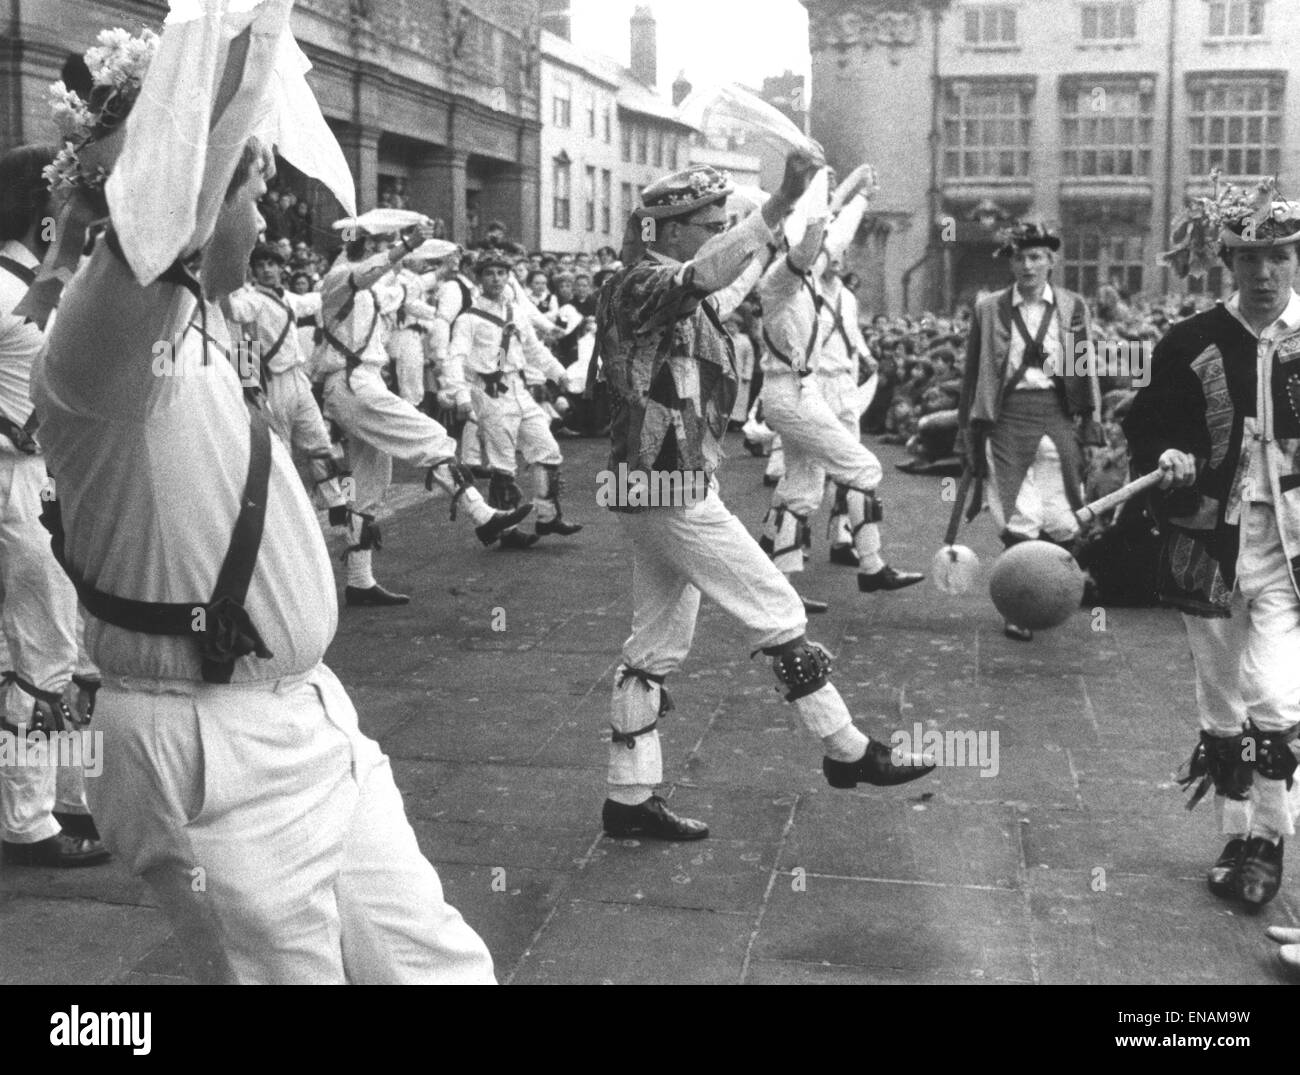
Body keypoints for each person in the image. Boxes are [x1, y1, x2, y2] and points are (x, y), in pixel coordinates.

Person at [33, 11, 493, 982]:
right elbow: (160, 218)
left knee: (440, 966)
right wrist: (235, 48)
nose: (267, 209)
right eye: (251, 184)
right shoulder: (99, 340)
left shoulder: (196, 326)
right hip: (205, 745)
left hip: (304, 716)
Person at [593, 157, 934, 842]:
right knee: (775, 607)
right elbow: (713, 271)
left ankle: (628, 797)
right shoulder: (637, 283)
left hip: (656, 479)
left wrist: (798, 205)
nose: (721, 232)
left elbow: (735, 270)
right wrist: (779, 196)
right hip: (667, 482)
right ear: (668, 228)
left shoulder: (674, 294)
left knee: (657, 642)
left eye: (723, 223)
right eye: (709, 224)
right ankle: (846, 748)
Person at [1124, 183, 1300, 911]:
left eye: (1279, 257)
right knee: (1221, 697)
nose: (1263, 274)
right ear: (1227, 260)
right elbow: (1151, 425)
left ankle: (1268, 840)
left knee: (1275, 693)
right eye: (1249, 257)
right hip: (1209, 540)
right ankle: (1236, 834)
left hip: (1292, 545)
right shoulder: (1188, 340)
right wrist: (1171, 457)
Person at [316, 212, 533, 603]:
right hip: (351, 382)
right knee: (432, 436)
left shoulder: (369, 288)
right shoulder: (338, 281)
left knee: (370, 483)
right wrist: (409, 245)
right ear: (364, 246)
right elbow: (370, 274)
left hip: (360, 382)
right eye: (381, 245)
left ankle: (359, 581)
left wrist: (441, 269)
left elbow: (401, 287)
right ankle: (482, 515)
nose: (386, 254)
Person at [0, 144, 106, 868]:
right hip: (20, 483)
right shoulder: (11, 289)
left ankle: (67, 796)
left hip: (42, 480)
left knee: (56, 647)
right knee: (44, 647)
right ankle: (30, 817)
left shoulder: (31, 282)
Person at [758, 163, 924, 610]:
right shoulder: (778, 280)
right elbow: (815, 240)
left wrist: (860, 196)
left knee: (802, 490)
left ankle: (782, 590)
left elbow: (831, 240)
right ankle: (871, 566)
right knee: (865, 469)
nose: (828, 253)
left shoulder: (809, 280)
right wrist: (835, 195)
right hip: (791, 393)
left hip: (797, 393)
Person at [958, 221, 1101, 641]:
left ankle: (1056, 594)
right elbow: (973, 372)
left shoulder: (1073, 306)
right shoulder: (989, 308)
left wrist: (1089, 419)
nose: (1027, 265)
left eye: (1036, 256)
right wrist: (968, 429)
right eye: (1020, 257)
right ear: (1011, 263)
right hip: (1006, 417)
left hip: (1057, 414)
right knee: (1017, 515)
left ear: (1051, 261)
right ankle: (1018, 606)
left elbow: (1083, 364)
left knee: (1063, 516)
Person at [444, 254, 583, 548]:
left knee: (547, 449)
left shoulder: (516, 312)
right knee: (503, 464)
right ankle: (506, 530)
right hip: (491, 394)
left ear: (509, 277)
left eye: (501, 273)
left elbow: (533, 349)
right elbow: (454, 357)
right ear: (479, 279)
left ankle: (548, 517)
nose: (496, 278)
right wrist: (461, 396)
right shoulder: (469, 319)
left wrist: (559, 374)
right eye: (490, 273)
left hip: (520, 389)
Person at [225, 244, 348, 518]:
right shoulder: (252, 299)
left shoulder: (289, 297)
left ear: (281, 267)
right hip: (273, 382)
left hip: (298, 378)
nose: (267, 270)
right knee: (281, 450)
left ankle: (336, 503)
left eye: (272, 264)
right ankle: (287, 514)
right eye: (261, 266)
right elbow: (235, 311)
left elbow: (318, 298)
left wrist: (345, 258)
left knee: (319, 440)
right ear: (253, 272)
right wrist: (225, 278)